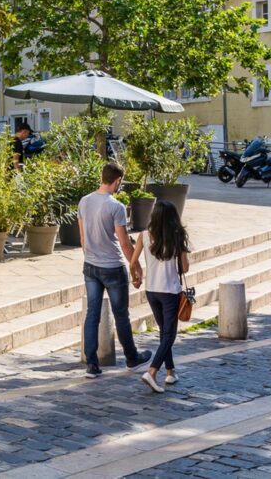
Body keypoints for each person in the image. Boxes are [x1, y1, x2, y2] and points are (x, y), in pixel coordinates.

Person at [78, 162, 151, 378]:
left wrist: (90, 257)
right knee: (121, 315)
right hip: (112, 267)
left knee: (92, 315)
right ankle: (131, 358)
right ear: (117, 181)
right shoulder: (116, 206)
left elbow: (83, 238)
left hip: (90, 265)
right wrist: (135, 266)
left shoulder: (84, 201)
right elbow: (124, 243)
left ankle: (92, 364)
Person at [131, 200, 190, 393]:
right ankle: (152, 371)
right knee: (169, 334)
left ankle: (171, 371)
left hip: (151, 290)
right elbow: (185, 268)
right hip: (170, 290)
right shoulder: (177, 235)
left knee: (165, 332)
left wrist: (136, 278)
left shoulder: (145, 235)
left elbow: (132, 262)